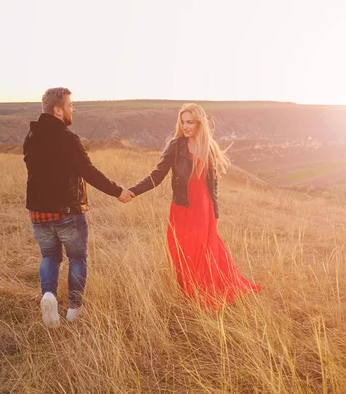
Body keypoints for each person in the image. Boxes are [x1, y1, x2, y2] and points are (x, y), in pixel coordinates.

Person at [127, 103, 261, 308]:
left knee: (206, 249)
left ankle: (203, 290)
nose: (186, 126)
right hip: (183, 206)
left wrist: (214, 211)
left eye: (190, 122)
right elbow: (157, 175)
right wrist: (133, 191)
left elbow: (212, 184)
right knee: (183, 249)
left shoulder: (208, 146)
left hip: (204, 207)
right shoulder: (175, 146)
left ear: (200, 123)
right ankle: (190, 290)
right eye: (183, 122)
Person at [23, 87, 134, 327]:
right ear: (58, 110)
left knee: (49, 256)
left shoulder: (30, 137)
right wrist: (118, 192)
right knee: (77, 257)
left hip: (38, 213)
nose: (74, 109)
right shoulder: (67, 138)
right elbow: (88, 171)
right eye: (70, 105)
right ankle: (74, 308)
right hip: (67, 212)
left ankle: (49, 295)